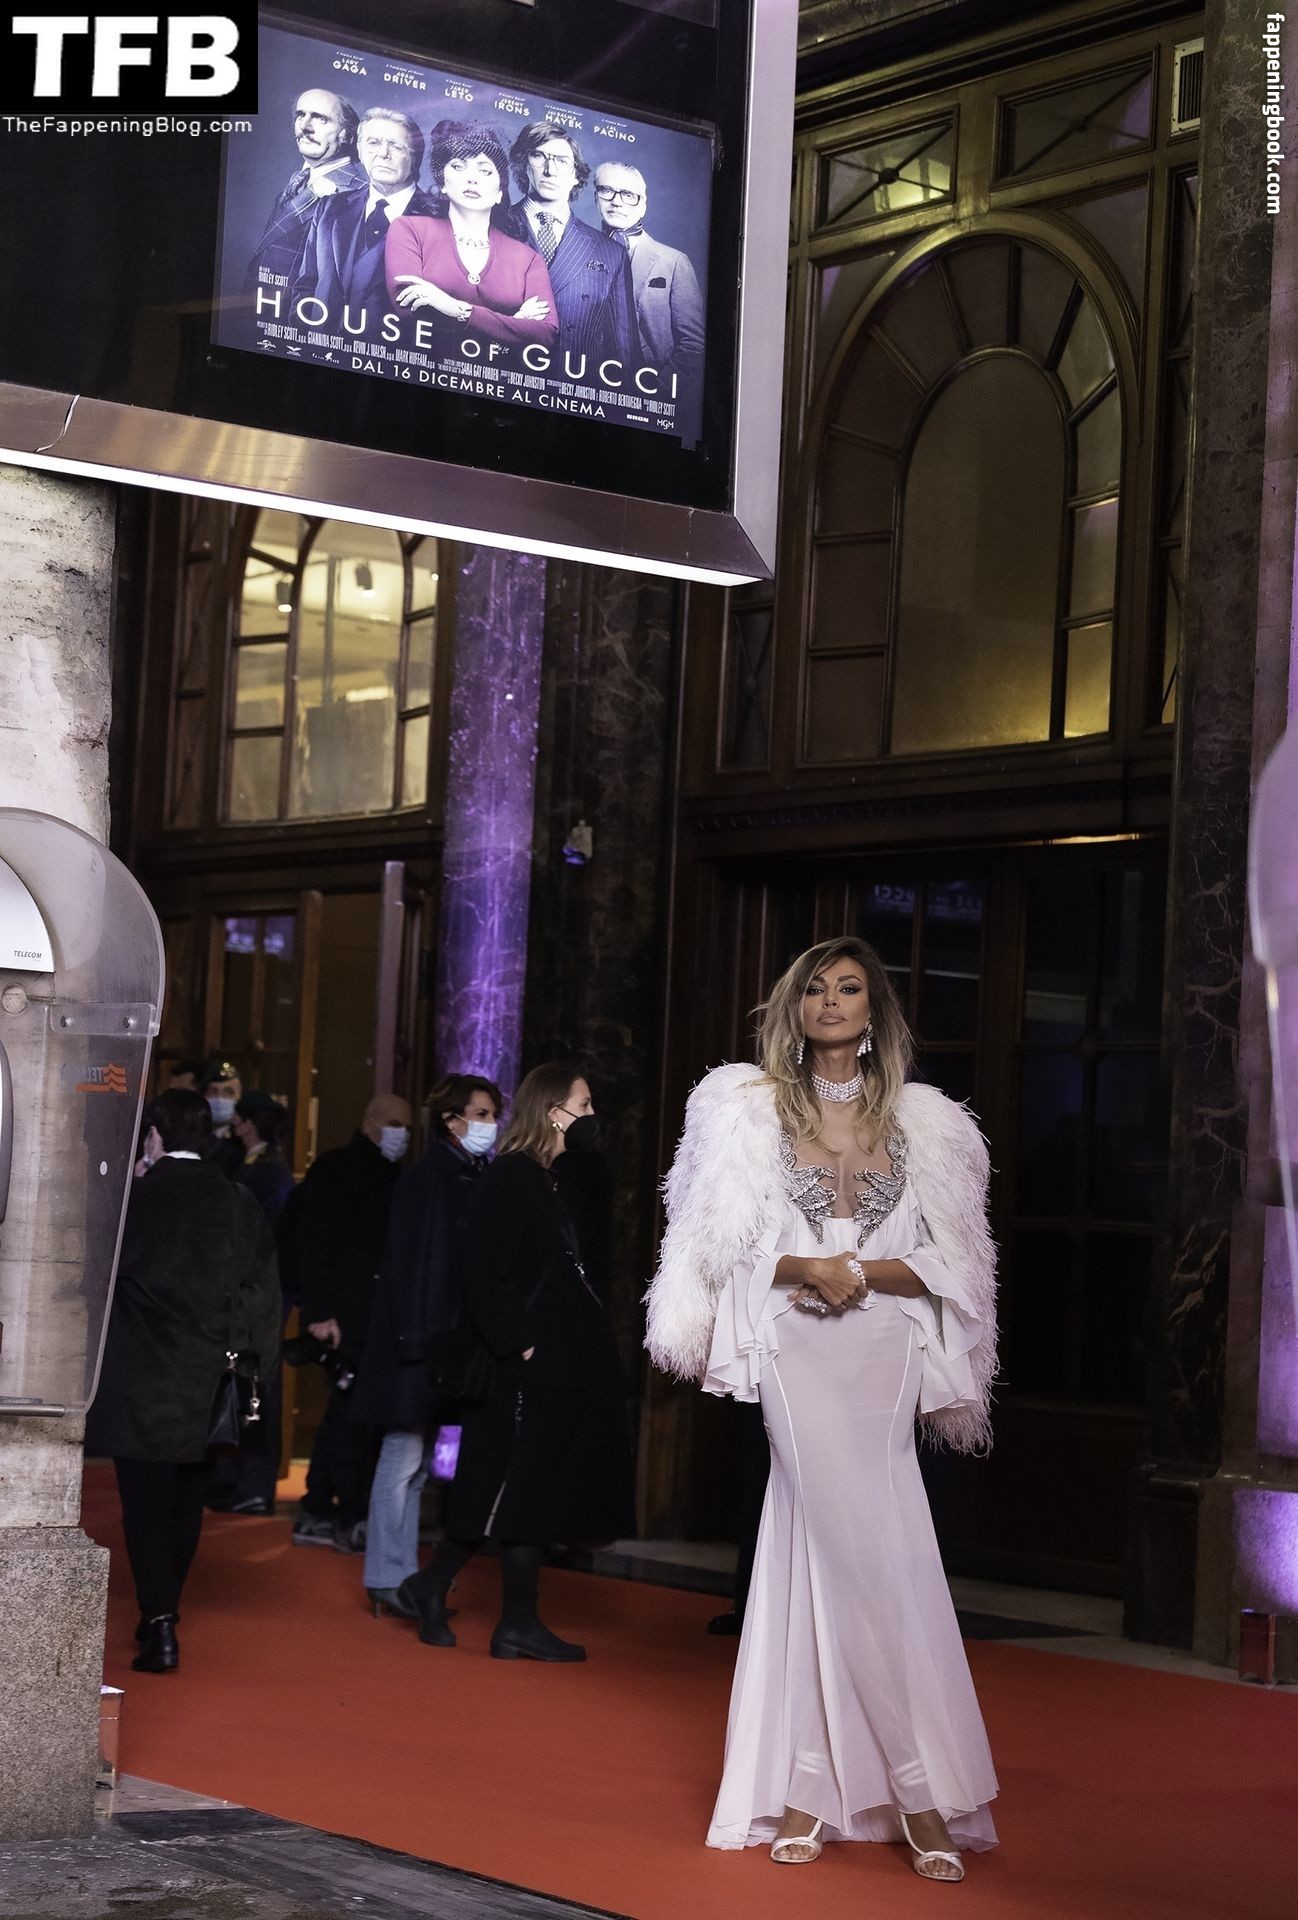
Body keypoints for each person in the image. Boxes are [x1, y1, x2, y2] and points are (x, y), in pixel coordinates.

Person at [645, 936, 1000, 1882]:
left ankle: (816, 1784)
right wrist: (807, 1265)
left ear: (875, 1012)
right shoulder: (744, 1112)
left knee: (866, 1550)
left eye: (849, 988)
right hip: (796, 1347)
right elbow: (715, 1248)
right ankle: (914, 1792)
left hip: (885, 1349)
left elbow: (956, 1263)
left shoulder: (927, 1126)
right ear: (793, 1010)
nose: (831, 1001)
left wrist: (862, 1274)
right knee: (845, 1548)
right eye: (815, 989)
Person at [397, 1063, 633, 1662]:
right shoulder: (511, 1175)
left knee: (516, 1484)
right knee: (514, 1484)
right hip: (525, 1363)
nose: (592, 1115)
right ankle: (512, 1620)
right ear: (554, 1112)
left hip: (554, 1361)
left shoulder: (552, 1178)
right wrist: (519, 1343)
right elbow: (482, 1271)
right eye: (583, 1104)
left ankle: (441, 1589)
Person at [85, 1090, 280, 1674]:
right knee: (186, 1506)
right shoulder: (237, 1202)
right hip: (209, 1381)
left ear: (154, 1137)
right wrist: (254, 1374)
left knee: (144, 1506)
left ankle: (160, 1619)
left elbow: (94, 1283)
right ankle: (163, 1611)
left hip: (140, 1380)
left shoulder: (134, 1202)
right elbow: (262, 1296)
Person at [351, 1072, 504, 1616]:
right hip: (418, 1345)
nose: (490, 1124)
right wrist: (417, 1344)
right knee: (402, 1458)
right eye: (480, 1114)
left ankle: (399, 1573)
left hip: (435, 1344)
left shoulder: (465, 1175)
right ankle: (387, 1575)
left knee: (413, 1464)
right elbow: (413, 1266)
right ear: (451, 1120)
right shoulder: (430, 1179)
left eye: (492, 1115)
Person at [292, 1093, 412, 1551]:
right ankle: (342, 1511)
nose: (402, 1134)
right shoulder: (339, 1170)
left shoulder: (391, 1176)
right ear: (370, 1123)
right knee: (350, 1417)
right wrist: (320, 1312)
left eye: (407, 1127)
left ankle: (319, 1506)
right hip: (346, 1317)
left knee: (347, 1414)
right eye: (395, 1124)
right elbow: (314, 1242)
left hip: (371, 1318)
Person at [386, 120, 557, 351]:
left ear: (500, 191)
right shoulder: (409, 230)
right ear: (443, 183)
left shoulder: (528, 259)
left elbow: (546, 335)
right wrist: (512, 323)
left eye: (484, 170)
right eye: (458, 166)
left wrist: (455, 309)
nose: (472, 178)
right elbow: (408, 311)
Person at [205, 1091, 296, 1517]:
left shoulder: (268, 1171)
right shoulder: (257, 1165)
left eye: (241, 1118)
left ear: (250, 1123)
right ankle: (234, 1478)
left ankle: (255, 1484)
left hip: (260, 1292)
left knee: (259, 1389)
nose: (235, 1126)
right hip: (252, 1290)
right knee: (242, 1384)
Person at [500, 124, 636, 367]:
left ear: (576, 176)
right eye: (539, 155)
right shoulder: (492, 226)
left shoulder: (611, 253)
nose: (550, 170)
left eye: (562, 161)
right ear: (523, 163)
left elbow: (624, 353)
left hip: (575, 383)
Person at [294, 108, 439, 332]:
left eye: (396, 146)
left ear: (414, 157)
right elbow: (305, 285)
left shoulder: (439, 220)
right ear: (360, 151)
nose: (383, 153)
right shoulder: (329, 208)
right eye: (373, 143)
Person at [594, 160, 704, 376]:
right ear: (595, 197)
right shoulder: (579, 252)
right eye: (606, 191)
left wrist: (658, 389)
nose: (616, 202)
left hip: (649, 385)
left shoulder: (674, 262)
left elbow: (694, 344)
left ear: (643, 205)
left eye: (628, 194)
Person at [247, 87, 365, 289]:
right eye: (300, 115)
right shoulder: (298, 179)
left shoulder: (360, 194)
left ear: (347, 135)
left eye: (321, 119)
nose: (304, 126)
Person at [201, 1058, 244, 1178]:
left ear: (239, 1098)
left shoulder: (243, 1141)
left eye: (228, 1092)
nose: (219, 1098)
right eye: (213, 1091)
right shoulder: (192, 1135)